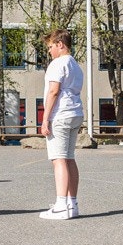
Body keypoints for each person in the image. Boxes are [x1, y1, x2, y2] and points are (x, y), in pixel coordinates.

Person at [38, 29, 84, 220]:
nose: (49, 51)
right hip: (75, 112)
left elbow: (53, 91)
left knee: (58, 159)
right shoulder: (75, 65)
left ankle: (60, 205)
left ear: (60, 44)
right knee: (69, 158)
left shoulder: (57, 63)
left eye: (50, 47)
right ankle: (71, 204)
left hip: (60, 114)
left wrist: (45, 118)